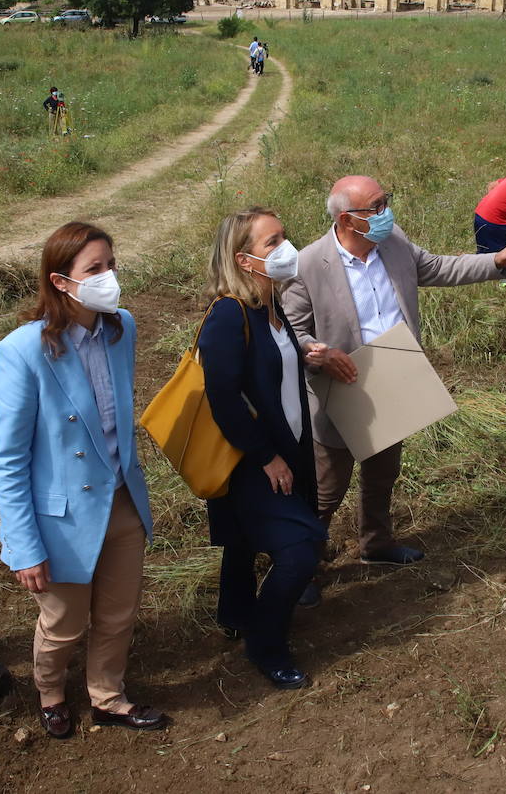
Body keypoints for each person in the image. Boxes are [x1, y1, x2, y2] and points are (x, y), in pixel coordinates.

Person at [282, 176, 506, 575]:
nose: (387, 212)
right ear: (349, 220)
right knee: (326, 487)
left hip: (393, 373)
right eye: (378, 205)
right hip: (341, 386)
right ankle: (305, 566)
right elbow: (292, 332)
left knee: (383, 471)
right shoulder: (309, 264)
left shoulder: (394, 241)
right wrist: (317, 353)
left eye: (387, 201)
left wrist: (496, 261)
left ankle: (376, 543)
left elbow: (435, 267)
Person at [0, 221, 166, 738]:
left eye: (111, 264)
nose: (108, 277)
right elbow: (9, 459)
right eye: (94, 269)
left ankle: (108, 696)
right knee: (64, 622)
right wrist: (23, 545)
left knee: (117, 613)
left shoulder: (122, 328)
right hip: (62, 517)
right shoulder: (23, 350)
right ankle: (49, 692)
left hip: (122, 499)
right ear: (61, 281)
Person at [197, 207, 324, 689]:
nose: (285, 249)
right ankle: (265, 644)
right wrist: (265, 456)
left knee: (244, 541)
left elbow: (270, 373)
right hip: (252, 461)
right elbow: (223, 397)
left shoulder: (270, 307)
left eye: (284, 237)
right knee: (300, 551)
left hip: (288, 449)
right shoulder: (230, 314)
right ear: (243, 259)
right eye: (272, 243)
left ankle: (233, 611)